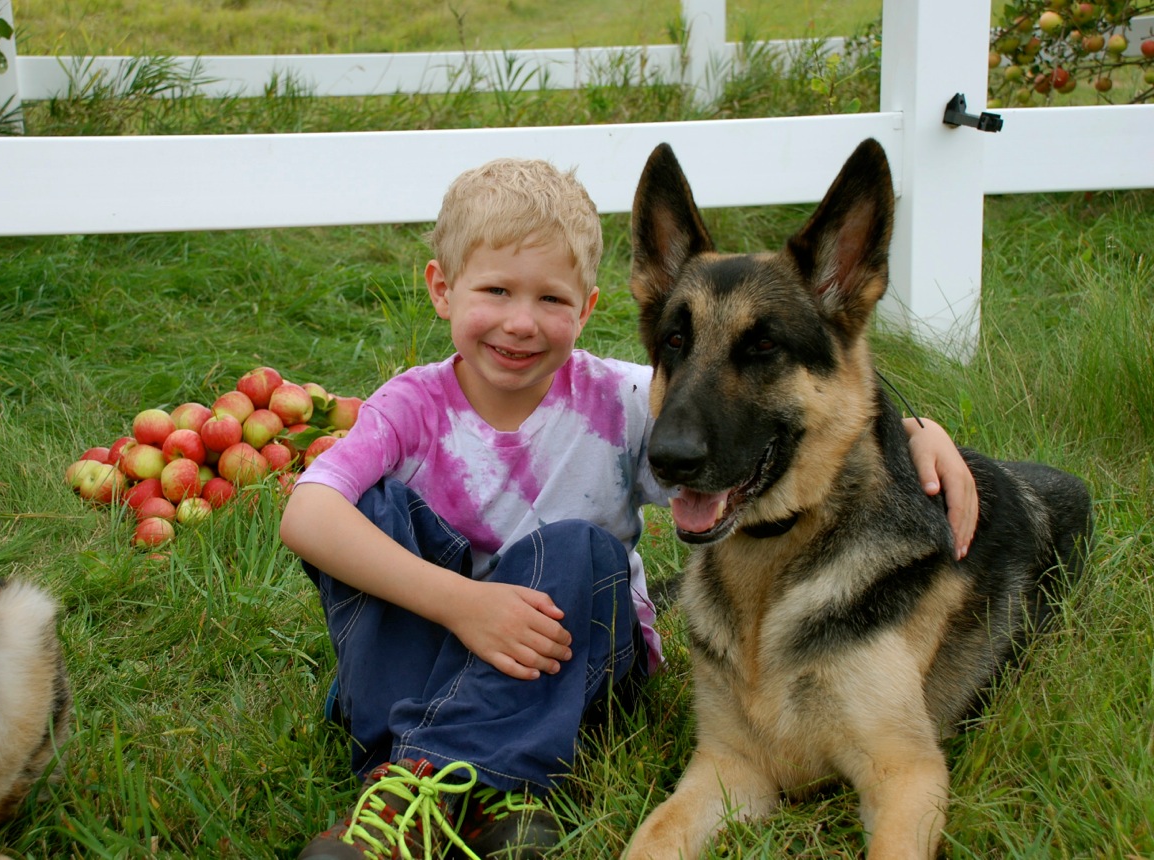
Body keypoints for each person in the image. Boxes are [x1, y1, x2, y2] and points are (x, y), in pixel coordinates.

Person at [279, 157, 978, 860]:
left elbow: (828, 420)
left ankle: (416, 782)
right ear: (442, 289)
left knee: (580, 548)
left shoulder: (619, 403)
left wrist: (917, 432)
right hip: (451, 636)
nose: (521, 323)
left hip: (567, 647)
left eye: (550, 300)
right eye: (495, 289)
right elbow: (305, 516)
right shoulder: (409, 405)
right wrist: (463, 603)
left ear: (585, 309)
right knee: (368, 508)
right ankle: (481, 786)